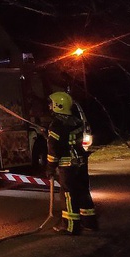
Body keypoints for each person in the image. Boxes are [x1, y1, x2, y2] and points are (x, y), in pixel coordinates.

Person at [45, 91, 98, 235]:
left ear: (58, 105)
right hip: (81, 163)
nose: (49, 107)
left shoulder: (56, 125)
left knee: (68, 195)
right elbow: (70, 141)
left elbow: (54, 150)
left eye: (51, 104)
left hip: (67, 166)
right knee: (83, 192)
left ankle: (70, 226)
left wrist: (50, 167)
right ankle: (89, 222)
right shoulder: (76, 121)